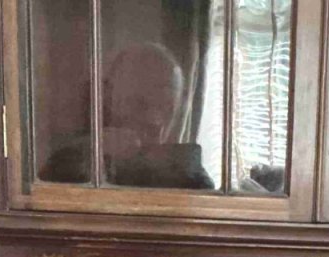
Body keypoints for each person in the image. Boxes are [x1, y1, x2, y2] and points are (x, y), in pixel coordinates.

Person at [40, 42, 214, 189]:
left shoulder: (186, 170)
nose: (155, 121)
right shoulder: (73, 159)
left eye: (167, 108)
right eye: (139, 104)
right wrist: (90, 152)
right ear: (109, 100)